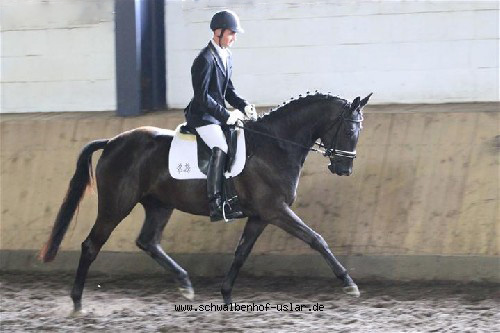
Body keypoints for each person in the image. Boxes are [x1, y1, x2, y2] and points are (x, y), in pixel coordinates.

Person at [184, 10, 257, 222]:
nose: (234, 38)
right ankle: (215, 203)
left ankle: (232, 195)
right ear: (218, 32)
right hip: (202, 116)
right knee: (221, 147)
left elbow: (228, 92)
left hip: (216, 115)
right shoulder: (204, 60)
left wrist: (244, 106)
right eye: (231, 34)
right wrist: (226, 115)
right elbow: (202, 97)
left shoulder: (226, 56)